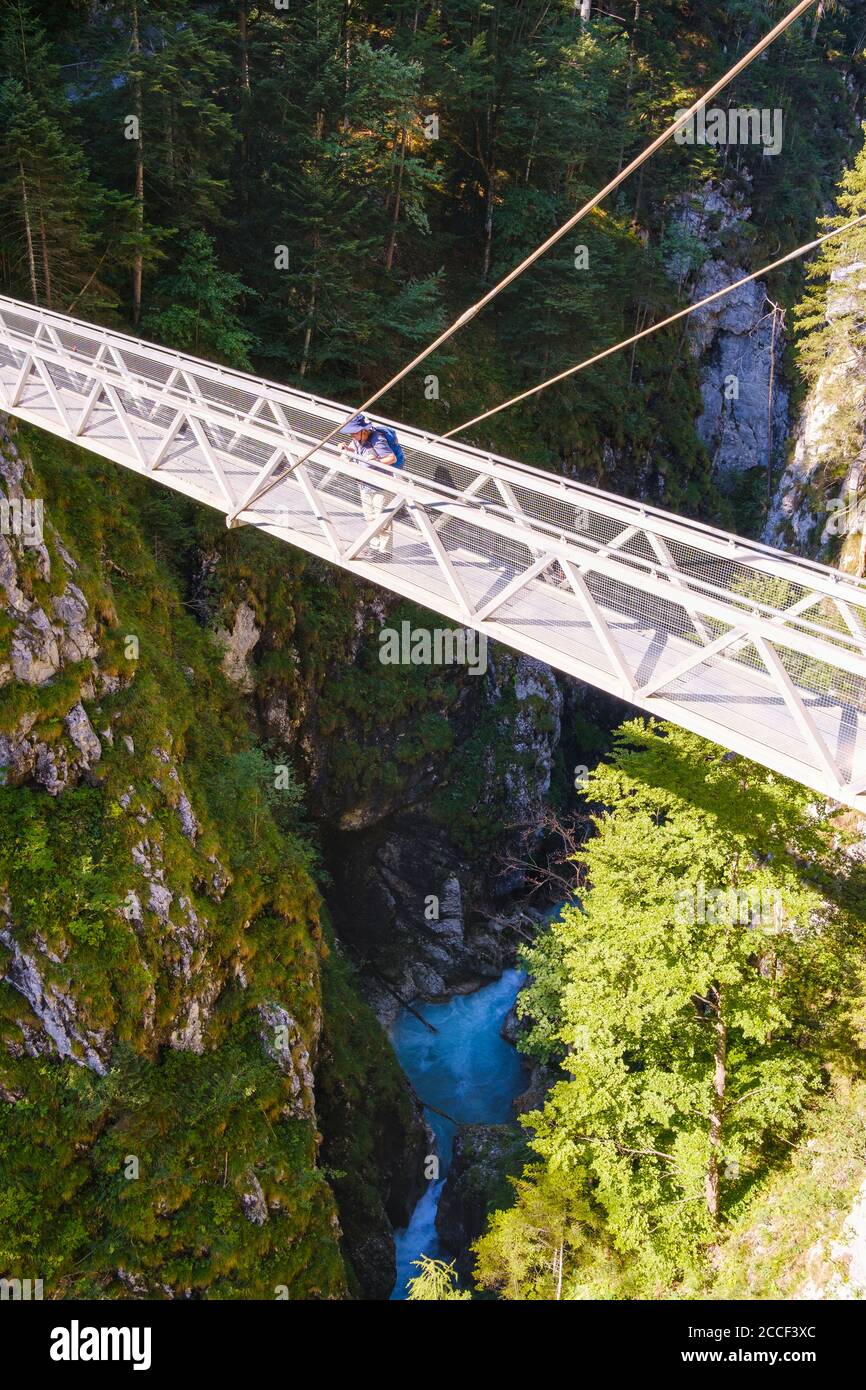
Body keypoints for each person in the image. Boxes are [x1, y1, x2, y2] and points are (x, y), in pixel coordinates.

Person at [337, 413, 404, 558]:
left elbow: (391, 458)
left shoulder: (377, 440)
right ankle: (374, 546)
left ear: (364, 430)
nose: (352, 435)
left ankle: (385, 552)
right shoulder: (356, 440)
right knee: (369, 517)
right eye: (350, 433)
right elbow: (355, 452)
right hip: (364, 483)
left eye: (354, 432)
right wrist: (347, 450)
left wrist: (376, 462)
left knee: (382, 518)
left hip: (381, 485)